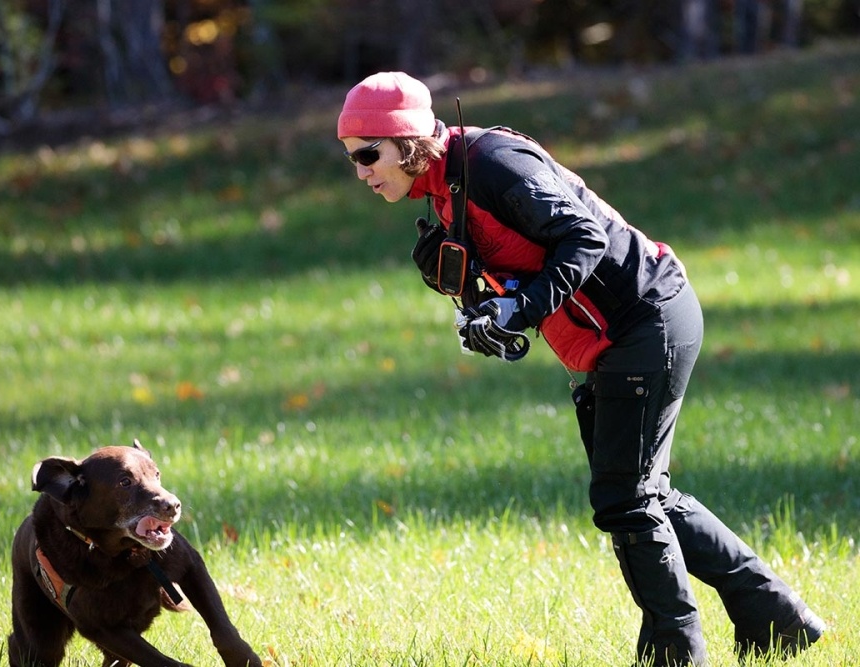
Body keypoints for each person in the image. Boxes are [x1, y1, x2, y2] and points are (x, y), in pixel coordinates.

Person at [337, 71, 825, 666]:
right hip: (613, 337)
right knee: (647, 494)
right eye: (351, 158)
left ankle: (675, 653)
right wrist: (488, 310)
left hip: (645, 319)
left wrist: (521, 306)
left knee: (626, 499)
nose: (361, 171)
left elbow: (583, 237)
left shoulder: (492, 165)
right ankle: (779, 621)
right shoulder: (448, 188)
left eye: (369, 154)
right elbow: (526, 259)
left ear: (409, 141)